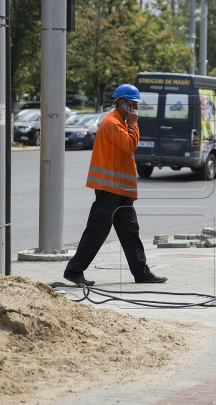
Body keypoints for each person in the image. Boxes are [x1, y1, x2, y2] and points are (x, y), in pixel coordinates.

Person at [63, 84, 167, 286]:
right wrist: (134, 123)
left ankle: (141, 273)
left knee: (130, 232)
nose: (135, 110)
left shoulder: (121, 121)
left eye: (137, 106)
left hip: (121, 189)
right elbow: (130, 145)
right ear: (121, 104)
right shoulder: (113, 123)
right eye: (132, 106)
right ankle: (74, 271)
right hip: (109, 189)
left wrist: (131, 121)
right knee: (97, 231)